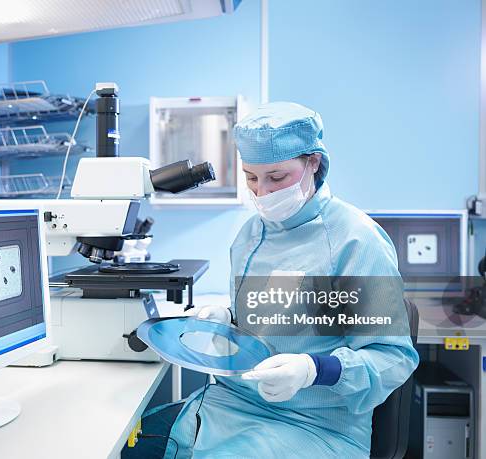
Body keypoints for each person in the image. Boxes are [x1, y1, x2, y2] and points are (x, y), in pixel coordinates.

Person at [123, 102, 419, 459]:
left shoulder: (356, 240)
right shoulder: (250, 234)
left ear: (313, 162)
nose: (262, 193)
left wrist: (314, 370)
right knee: (127, 445)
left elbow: (393, 357)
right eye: (251, 177)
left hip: (311, 426)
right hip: (230, 404)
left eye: (277, 177)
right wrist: (228, 320)